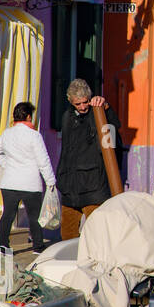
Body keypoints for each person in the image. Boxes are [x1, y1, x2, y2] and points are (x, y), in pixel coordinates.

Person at [56, 79, 121, 241]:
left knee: (97, 235)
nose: (83, 106)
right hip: (70, 186)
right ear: (71, 102)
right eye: (78, 104)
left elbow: (112, 133)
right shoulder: (67, 116)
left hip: (93, 186)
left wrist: (105, 108)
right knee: (67, 235)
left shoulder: (98, 112)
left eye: (85, 102)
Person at [0, 101, 56, 254]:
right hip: (30, 183)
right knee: (34, 216)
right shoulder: (34, 136)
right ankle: (38, 247)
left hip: (9, 182)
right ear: (28, 117)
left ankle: (3, 246)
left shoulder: (7, 134)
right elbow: (43, 160)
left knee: (8, 215)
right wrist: (50, 181)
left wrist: (7, 164)